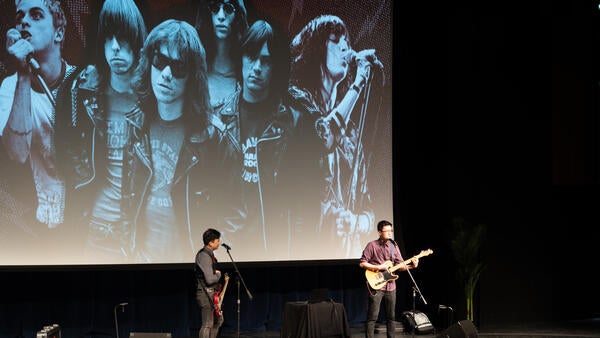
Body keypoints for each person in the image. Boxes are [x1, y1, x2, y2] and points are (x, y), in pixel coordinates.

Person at [55, 0, 147, 262]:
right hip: (94, 228)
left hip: (138, 235)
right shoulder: (83, 95)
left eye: (124, 37)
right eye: (108, 37)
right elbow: (64, 156)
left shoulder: (153, 100)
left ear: (138, 39)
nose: (115, 47)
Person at [285, 14, 382, 258]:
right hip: (301, 242)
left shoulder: (349, 131)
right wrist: (359, 82)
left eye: (347, 41)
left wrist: (355, 222)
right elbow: (323, 138)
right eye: (335, 39)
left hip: (342, 248)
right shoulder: (295, 100)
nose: (345, 47)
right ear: (318, 46)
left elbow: (369, 206)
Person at [127, 19, 212, 263]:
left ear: (192, 76)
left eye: (178, 66)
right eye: (160, 61)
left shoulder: (209, 139)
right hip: (139, 267)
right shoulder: (135, 128)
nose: (166, 74)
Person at [208, 19, 292, 255]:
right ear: (241, 58)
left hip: (274, 246)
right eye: (251, 56)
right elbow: (210, 190)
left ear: (274, 66)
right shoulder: (218, 120)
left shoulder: (289, 123)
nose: (256, 67)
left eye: (265, 61)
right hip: (229, 246)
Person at [0, 0, 78, 232]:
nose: (24, 21)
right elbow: (16, 153)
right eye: (19, 17)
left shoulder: (81, 84)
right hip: (33, 222)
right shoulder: (9, 87)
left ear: (59, 33)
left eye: (35, 16)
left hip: (79, 219)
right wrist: (23, 72)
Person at [359, 220, 418, 338]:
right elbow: (362, 263)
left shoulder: (394, 246)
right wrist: (379, 267)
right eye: (387, 231)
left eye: (391, 230)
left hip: (391, 286)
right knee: (372, 317)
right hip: (377, 285)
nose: (390, 233)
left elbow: (400, 266)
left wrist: (411, 266)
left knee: (391, 317)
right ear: (380, 232)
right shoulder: (372, 245)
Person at [195, 0, 248, 109]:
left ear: (238, 15)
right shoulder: (195, 71)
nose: (221, 16)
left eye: (228, 8)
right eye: (215, 8)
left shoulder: (246, 75)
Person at [194, 228, 225, 338]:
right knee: (207, 324)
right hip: (205, 294)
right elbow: (210, 279)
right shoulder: (204, 256)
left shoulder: (210, 255)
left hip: (212, 293)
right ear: (210, 242)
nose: (219, 242)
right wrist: (218, 274)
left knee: (218, 320)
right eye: (217, 240)